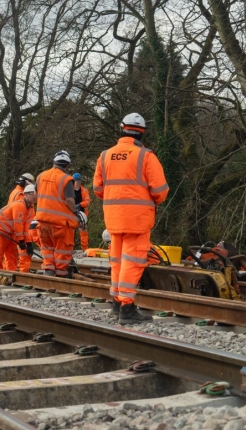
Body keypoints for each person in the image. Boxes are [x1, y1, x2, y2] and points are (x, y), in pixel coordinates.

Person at [93, 113, 169, 324]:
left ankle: (117, 302)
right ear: (142, 133)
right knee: (132, 261)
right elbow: (160, 191)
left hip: (114, 218)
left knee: (116, 259)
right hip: (137, 220)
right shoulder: (146, 156)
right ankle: (126, 306)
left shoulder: (105, 156)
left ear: (122, 129)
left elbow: (98, 188)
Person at [35, 151, 84, 277]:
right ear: (67, 165)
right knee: (62, 250)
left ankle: (49, 271)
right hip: (59, 223)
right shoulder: (66, 179)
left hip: (42, 220)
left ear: (54, 162)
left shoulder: (40, 176)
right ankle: (61, 275)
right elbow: (69, 200)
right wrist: (74, 211)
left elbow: (36, 195)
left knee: (47, 248)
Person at [0, 184, 37, 271]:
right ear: (26, 194)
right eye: (33, 194)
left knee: (12, 255)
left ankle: (11, 274)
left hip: (10, 232)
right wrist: (21, 241)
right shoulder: (19, 206)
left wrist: (29, 243)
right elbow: (18, 225)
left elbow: (26, 228)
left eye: (36, 194)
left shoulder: (31, 209)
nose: (35, 197)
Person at [72, 173, 91, 251]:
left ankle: (84, 250)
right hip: (71, 214)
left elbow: (87, 201)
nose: (78, 182)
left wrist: (79, 204)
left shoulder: (84, 190)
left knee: (83, 233)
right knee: (70, 234)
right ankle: (69, 250)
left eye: (79, 180)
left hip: (82, 215)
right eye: (76, 180)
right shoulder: (69, 190)